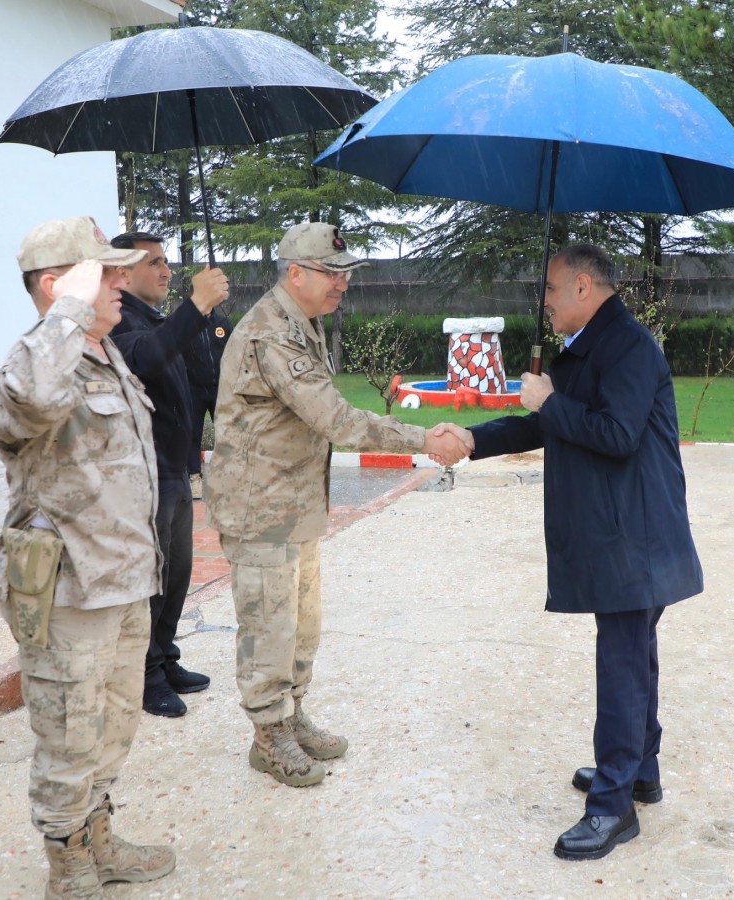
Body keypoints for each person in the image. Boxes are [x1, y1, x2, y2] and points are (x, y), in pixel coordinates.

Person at [448, 244, 704, 860]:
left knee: (620, 665)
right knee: (634, 654)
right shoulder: (590, 348)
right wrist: (469, 440)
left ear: (584, 287)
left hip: (634, 538)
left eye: (553, 291)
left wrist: (550, 402)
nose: (546, 302)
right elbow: (543, 426)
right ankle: (639, 773)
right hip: (623, 535)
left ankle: (614, 807)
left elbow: (615, 435)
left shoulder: (630, 349)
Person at [204, 222, 470, 787]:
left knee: (302, 623)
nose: (343, 284)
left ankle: (291, 715)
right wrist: (424, 440)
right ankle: (268, 734)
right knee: (268, 627)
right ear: (295, 273)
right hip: (260, 508)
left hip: (294, 503)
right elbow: (336, 420)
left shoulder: (303, 325)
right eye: (333, 273)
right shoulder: (270, 334)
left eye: (346, 273)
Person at [0, 217, 176, 899]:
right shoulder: (31, 362)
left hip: (123, 581)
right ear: (54, 285)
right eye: (104, 271)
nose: (121, 281)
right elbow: (33, 402)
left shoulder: (104, 353)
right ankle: (68, 869)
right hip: (67, 591)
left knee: (113, 727)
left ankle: (97, 838)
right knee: (68, 737)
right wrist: (67, 308)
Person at [108, 231, 230, 717]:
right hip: (147, 474)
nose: (166, 271)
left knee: (177, 575)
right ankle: (147, 675)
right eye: (155, 263)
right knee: (154, 580)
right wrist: (195, 306)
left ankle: (166, 657)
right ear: (124, 273)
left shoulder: (158, 319)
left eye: (167, 262)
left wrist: (211, 325)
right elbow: (148, 357)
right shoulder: (118, 322)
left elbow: (200, 384)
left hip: (177, 470)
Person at [183, 304, 232, 500]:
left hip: (220, 389)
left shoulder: (223, 324)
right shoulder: (185, 326)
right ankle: (194, 478)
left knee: (227, 433)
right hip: (193, 389)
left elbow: (234, 353)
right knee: (193, 435)